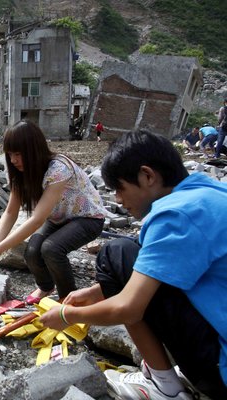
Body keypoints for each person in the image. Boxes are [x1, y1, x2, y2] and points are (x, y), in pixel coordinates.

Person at [39, 130, 227, 400]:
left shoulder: (175, 215)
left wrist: (66, 317)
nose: (117, 199)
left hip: (219, 373)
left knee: (116, 252)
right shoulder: (208, 193)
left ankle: (165, 387)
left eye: (120, 188)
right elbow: (163, 268)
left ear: (147, 176)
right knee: (127, 254)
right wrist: (93, 294)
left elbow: (129, 307)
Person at [0, 120, 106, 304]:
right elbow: (11, 213)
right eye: (10, 154)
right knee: (32, 251)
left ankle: (68, 300)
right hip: (59, 218)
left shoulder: (58, 169)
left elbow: (37, 219)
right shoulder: (20, 173)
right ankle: (46, 286)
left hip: (87, 218)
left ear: (34, 150)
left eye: (18, 154)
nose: (13, 160)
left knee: (51, 249)